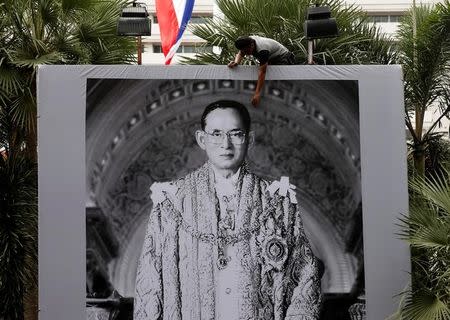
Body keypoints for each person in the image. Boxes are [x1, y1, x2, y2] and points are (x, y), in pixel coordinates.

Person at [134, 100, 321, 320]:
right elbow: (149, 286)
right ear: (201, 139)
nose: (226, 144)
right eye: (216, 134)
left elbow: (305, 279)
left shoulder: (278, 204)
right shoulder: (170, 203)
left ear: (249, 139)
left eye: (235, 134)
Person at [228, 36, 295, 107]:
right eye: (244, 51)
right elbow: (240, 53)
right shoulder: (246, 42)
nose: (246, 54)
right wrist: (236, 62)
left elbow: (262, 72)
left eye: (247, 51)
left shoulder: (262, 50)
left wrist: (257, 94)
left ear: (252, 45)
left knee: (278, 81)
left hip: (283, 57)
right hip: (272, 58)